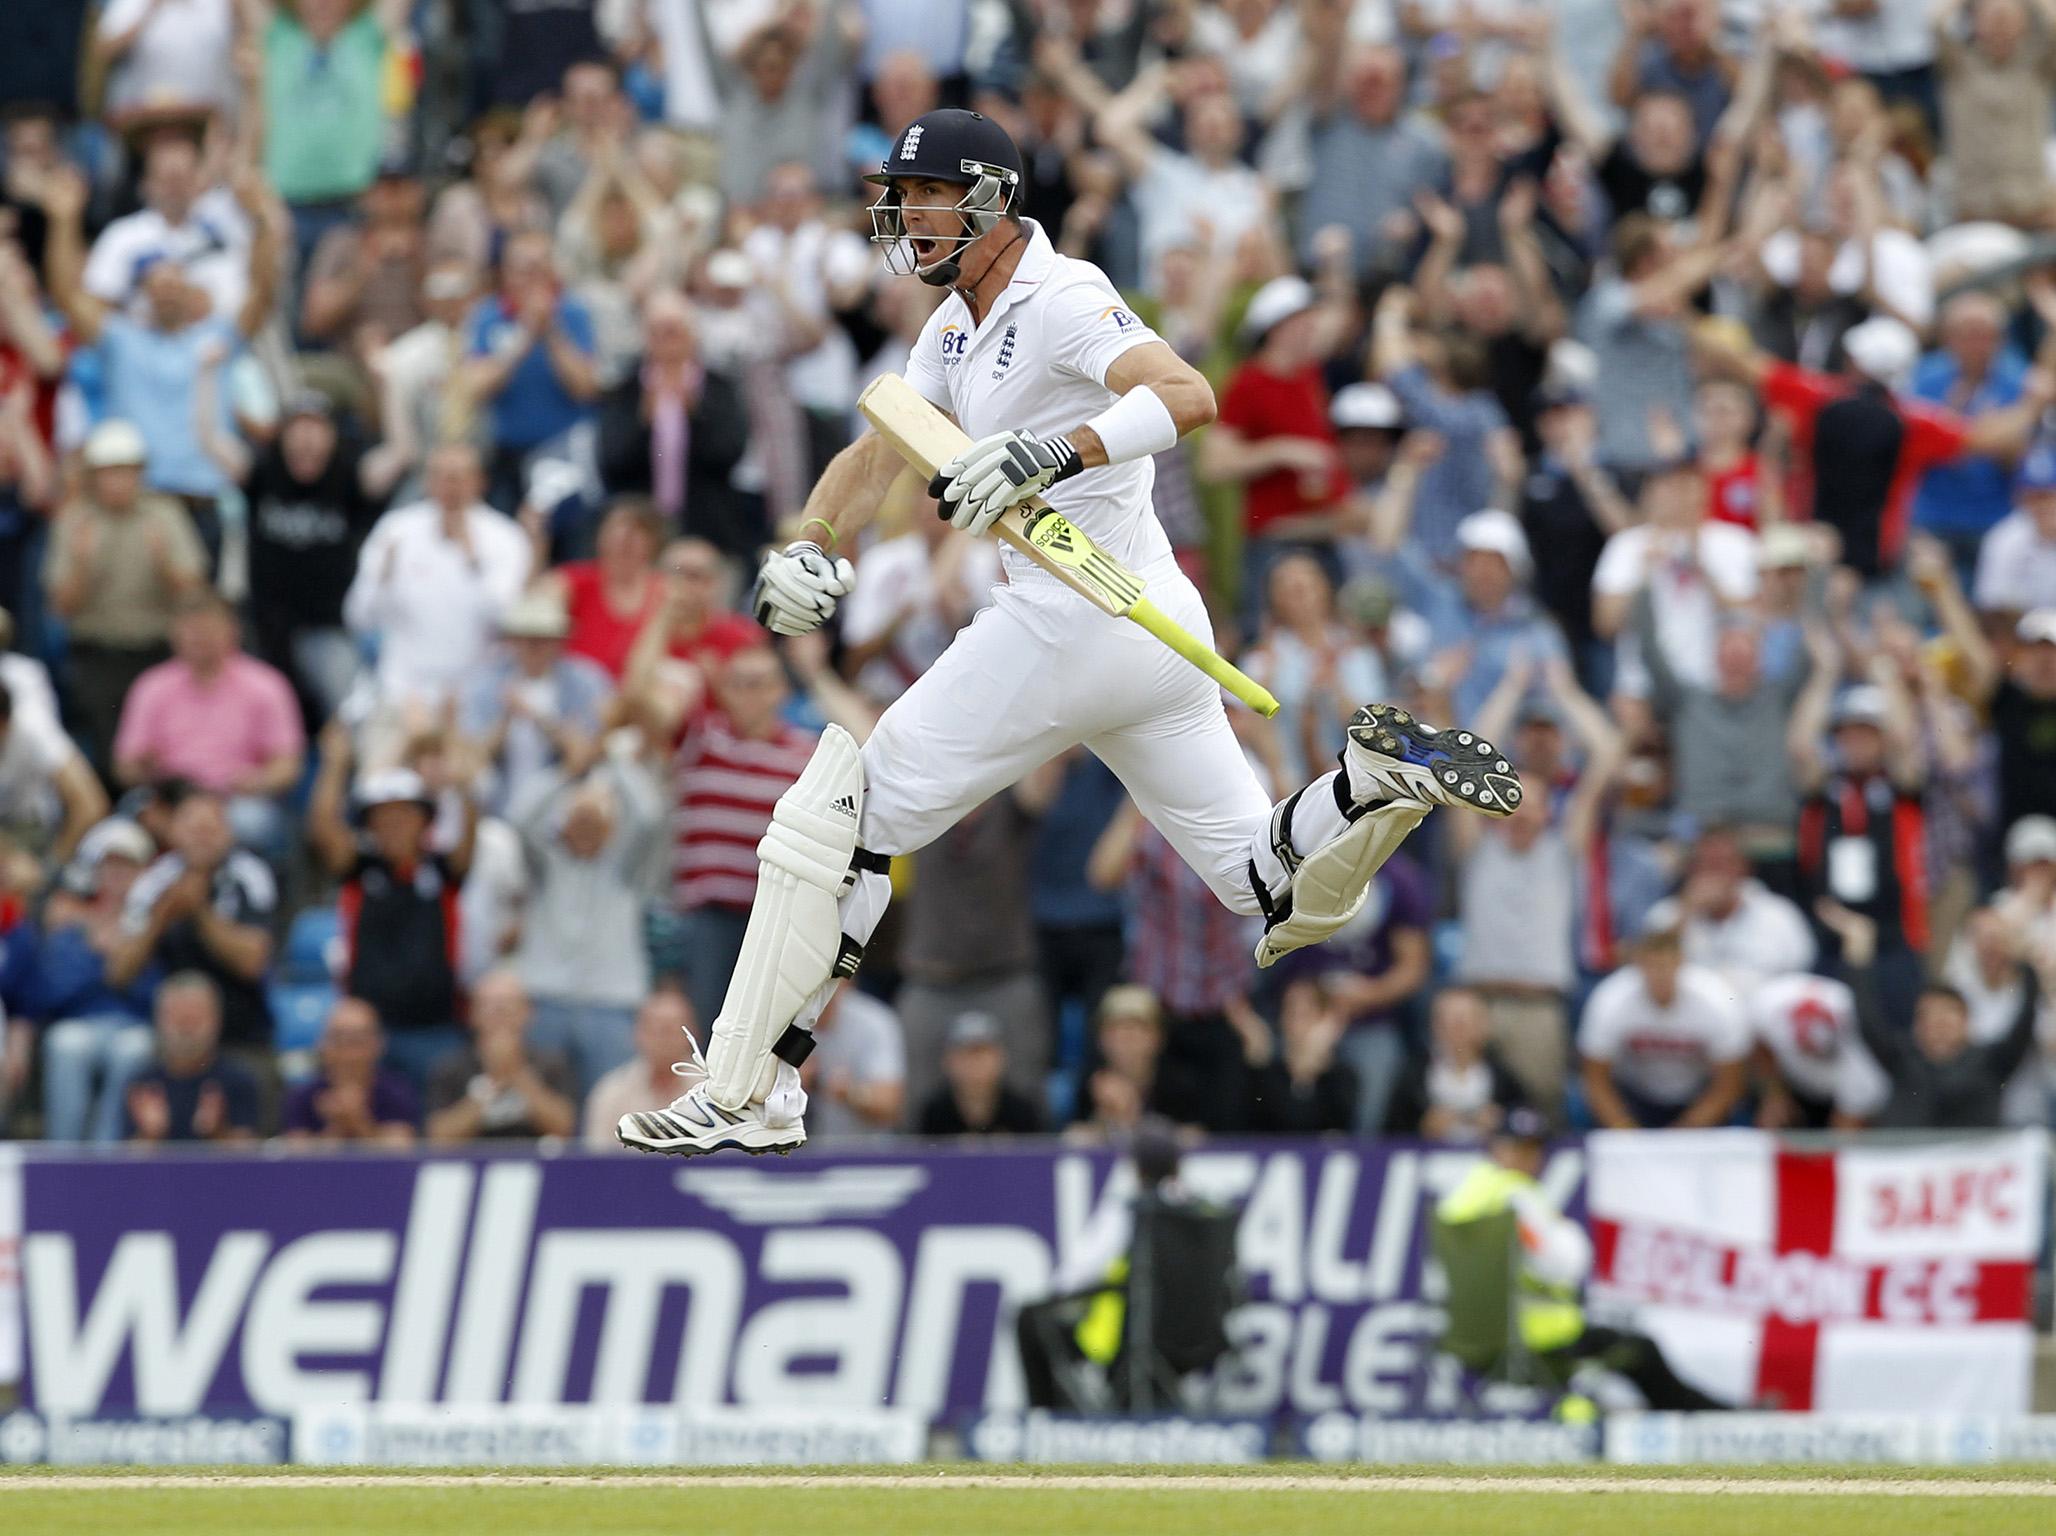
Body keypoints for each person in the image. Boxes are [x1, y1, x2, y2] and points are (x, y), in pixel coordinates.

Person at [619, 108, 1521, 1156]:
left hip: (1073, 619)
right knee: (1266, 886)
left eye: (928, 195)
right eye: (900, 196)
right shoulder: (953, 325)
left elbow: (1189, 395)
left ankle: (750, 1089)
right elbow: (885, 446)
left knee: (836, 820)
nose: (907, 216)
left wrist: (1054, 454)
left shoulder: (1064, 295)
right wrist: (817, 538)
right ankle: (1365, 784)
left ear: (994, 200)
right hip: (1147, 624)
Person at [1435, 1107, 1729, 1409]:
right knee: (1641, 1350)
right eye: (1524, 1148)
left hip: (1469, 1343)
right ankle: (1711, 1419)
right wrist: (1565, 1230)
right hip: (1541, 1342)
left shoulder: (1457, 1199)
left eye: (1535, 1149)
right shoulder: (1517, 1198)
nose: (1533, 1159)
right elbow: (1566, 1264)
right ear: (1499, 1148)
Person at [309, 723, 476, 1090]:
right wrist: (335, 765)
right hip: (366, 1034)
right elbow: (323, 827)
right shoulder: (360, 870)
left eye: (405, 814)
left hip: (435, 1029)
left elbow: (469, 835)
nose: (394, 824)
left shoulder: (442, 870)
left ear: (425, 821)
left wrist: (462, 782)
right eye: (383, 816)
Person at [42, 419, 206, 777]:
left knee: (168, 745)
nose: (117, 482)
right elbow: (60, 608)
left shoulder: (165, 515)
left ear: (140, 473)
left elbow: (195, 596)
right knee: (107, 745)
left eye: (125, 471)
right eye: (108, 472)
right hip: (97, 652)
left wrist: (163, 562)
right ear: (93, 476)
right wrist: (83, 566)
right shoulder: (74, 520)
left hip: (159, 651)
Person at [342, 442, 533, 730]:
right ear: (427, 481)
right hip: (403, 690)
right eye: (439, 476)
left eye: (457, 477)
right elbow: (358, 617)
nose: (448, 486)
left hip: (476, 695)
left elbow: (507, 622)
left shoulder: (506, 538)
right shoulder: (395, 530)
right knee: (383, 772)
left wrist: (473, 562)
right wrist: (383, 581)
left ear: (480, 481)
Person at [512, 754, 666, 1098]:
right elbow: (521, 820)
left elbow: (649, 816)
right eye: (577, 820)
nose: (585, 829)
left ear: (611, 829)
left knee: (612, 1111)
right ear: (562, 824)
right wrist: (566, 771)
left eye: (594, 821)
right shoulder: (545, 866)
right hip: (546, 1001)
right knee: (545, 1108)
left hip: (610, 1006)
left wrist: (611, 761)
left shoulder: (626, 871)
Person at [112, 592, 304, 858]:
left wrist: (258, 780)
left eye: (208, 629)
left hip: (233, 800)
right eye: (191, 630)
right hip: (172, 797)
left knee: (254, 822)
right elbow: (125, 766)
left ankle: (241, 892)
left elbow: (288, 766)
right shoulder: (151, 686)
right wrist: (144, 768)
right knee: (124, 827)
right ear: (174, 634)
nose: (199, 638)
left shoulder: (266, 685)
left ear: (232, 631)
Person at [1828, 902, 2048, 1128]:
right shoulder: (1901, 1060)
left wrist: (2025, 962)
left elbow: (2025, 1020)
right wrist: (1858, 955)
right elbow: (1867, 1019)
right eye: (1930, 1020)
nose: (1939, 1027)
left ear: (1967, 1024)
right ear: (1916, 1027)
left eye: (1947, 1020)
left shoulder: (1992, 1062)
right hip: (1906, 1158)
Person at [108, 788, 275, 1053]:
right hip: (168, 1033)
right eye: (193, 829)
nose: (202, 838)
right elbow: (119, 973)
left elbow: (253, 962)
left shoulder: (250, 875)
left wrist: (200, 911)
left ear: (228, 834)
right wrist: (161, 916)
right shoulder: (154, 882)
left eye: (210, 830)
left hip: (242, 1030)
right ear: (173, 832)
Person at [32, 818, 161, 1142]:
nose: (118, 876)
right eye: (110, 866)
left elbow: (155, 993)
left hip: (135, 1024)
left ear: (143, 874)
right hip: (82, 1022)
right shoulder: (70, 925)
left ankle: (107, 1156)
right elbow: (55, 990)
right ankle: (64, 1154)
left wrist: (121, 955)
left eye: (128, 867)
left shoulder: (154, 925)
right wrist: (100, 957)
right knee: (66, 1044)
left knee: (134, 1050)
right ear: (96, 873)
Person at [1578, 924, 1752, 1130]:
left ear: (1681, 963)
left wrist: (1685, 1132)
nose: (1660, 974)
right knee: (1579, 1102)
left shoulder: (1717, 1000)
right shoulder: (1611, 999)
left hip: (1696, 1095)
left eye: (1666, 965)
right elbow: (1596, 1079)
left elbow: (1729, 1084)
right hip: (1634, 1096)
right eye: (1652, 965)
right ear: (1638, 964)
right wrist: (1624, 1130)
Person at [424, 969, 578, 1143]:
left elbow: (565, 1128)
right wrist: (490, 1084)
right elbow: (438, 1136)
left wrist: (517, 1074)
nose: (499, 1013)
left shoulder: (551, 1063)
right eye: (489, 1005)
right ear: (472, 1014)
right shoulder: (451, 1067)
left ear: (528, 1013)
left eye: (508, 1005)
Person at [122, 971, 259, 1143]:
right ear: (158, 1020)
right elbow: (126, 1163)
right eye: (178, 1018)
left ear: (217, 1019)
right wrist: (150, 1135)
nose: (186, 1028)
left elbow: (250, 1161)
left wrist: (218, 1133)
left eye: (195, 1018)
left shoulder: (238, 1080)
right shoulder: (142, 1083)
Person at [1391, 986, 1532, 1143]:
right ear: (1434, 1026)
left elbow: (1529, 1124)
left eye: (1463, 1021)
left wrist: (1503, 1123)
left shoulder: (1504, 1077)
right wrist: (1421, 1126)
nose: (1456, 1030)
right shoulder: (1413, 1075)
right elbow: (1389, 1130)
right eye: (1447, 1021)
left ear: (1484, 1025)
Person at [279, 996, 419, 1145]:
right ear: (321, 1045)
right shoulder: (302, 1096)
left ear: (378, 1044)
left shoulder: (397, 1091)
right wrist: (337, 1127)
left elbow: (400, 1156)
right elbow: (297, 1161)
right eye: (337, 1040)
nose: (347, 1054)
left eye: (357, 1041)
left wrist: (358, 1122)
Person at [587, 984, 700, 1148]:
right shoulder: (611, 1092)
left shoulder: (716, 1093)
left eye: (673, 1030)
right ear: (637, 1034)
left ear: (694, 1034)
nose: (665, 1040)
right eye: (657, 1030)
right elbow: (597, 1162)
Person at [915, 1008, 1046, 1136]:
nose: (975, 1064)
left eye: (982, 1054)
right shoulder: (935, 1112)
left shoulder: (1021, 1111)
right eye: (966, 1054)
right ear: (947, 1060)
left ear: (1001, 1058)